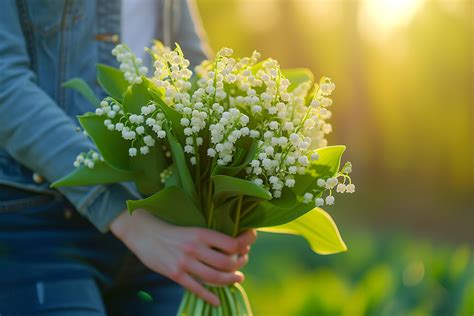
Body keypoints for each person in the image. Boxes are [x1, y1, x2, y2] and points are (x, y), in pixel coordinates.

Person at [0, 0, 256, 315]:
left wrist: (221, 202)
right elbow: (5, 87)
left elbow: (191, 65)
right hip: (39, 224)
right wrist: (131, 221)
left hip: (158, 225)